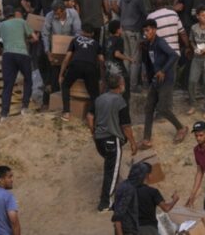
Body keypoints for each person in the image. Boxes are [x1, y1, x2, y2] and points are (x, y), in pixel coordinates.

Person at [88, 74, 137, 212]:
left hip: (99, 140)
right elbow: (126, 126)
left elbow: (89, 116)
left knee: (110, 168)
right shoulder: (120, 101)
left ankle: (110, 196)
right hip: (112, 140)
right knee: (111, 172)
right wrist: (133, 143)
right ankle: (105, 204)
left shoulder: (99, 99)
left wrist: (93, 132)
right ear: (120, 85)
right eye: (123, 82)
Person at [139, 19, 187, 148]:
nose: (145, 33)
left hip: (166, 80)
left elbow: (174, 55)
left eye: (147, 30)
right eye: (144, 31)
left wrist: (163, 71)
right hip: (156, 79)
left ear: (154, 30)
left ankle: (181, 128)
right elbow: (151, 61)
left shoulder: (160, 42)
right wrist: (147, 73)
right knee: (148, 108)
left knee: (163, 108)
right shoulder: (149, 44)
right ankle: (146, 139)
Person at [0, 7, 36, 120]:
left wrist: (1, 49)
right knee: (28, 80)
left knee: (8, 84)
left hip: (7, 56)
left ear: (4, 15)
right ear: (14, 14)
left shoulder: (1, 25)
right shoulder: (22, 21)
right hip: (22, 54)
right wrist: (26, 40)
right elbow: (35, 39)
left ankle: (4, 113)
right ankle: (24, 108)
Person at [58, 23, 104, 121]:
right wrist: (102, 78)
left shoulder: (75, 40)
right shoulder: (97, 44)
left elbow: (67, 58)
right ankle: (91, 115)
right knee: (94, 94)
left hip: (76, 65)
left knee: (65, 85)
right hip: (90, 67)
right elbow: (101, 60)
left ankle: (66, 112)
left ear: (82, 32)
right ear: (92, 34)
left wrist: (61, 74)